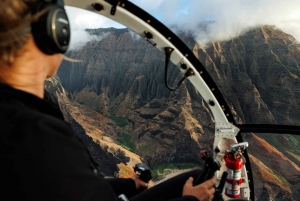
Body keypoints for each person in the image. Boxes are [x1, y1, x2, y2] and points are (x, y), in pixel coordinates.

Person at [0, 0, 216, 201]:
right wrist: (189, 200)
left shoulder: (17, 118)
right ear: (53, 32)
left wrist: (128, 184)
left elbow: (81, 187)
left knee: (197, 176)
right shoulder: (40, 137)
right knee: (198, 183)